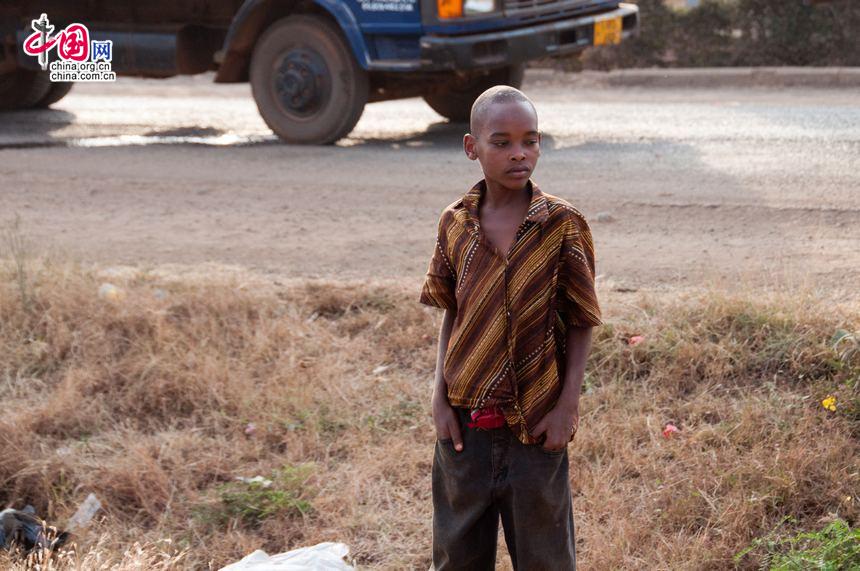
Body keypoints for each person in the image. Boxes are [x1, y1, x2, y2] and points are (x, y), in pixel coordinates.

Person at [418, 85, 602, 571]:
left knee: (546, 559)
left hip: (536, 428)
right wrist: (439, 395)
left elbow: (583, 318)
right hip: (464, 429)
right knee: (457, 557)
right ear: (471, 147)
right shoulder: (454, 224)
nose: (520, 153)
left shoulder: (562, 224)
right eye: (501, 142)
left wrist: (567, 407)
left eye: (531, 140)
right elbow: (450, 312)